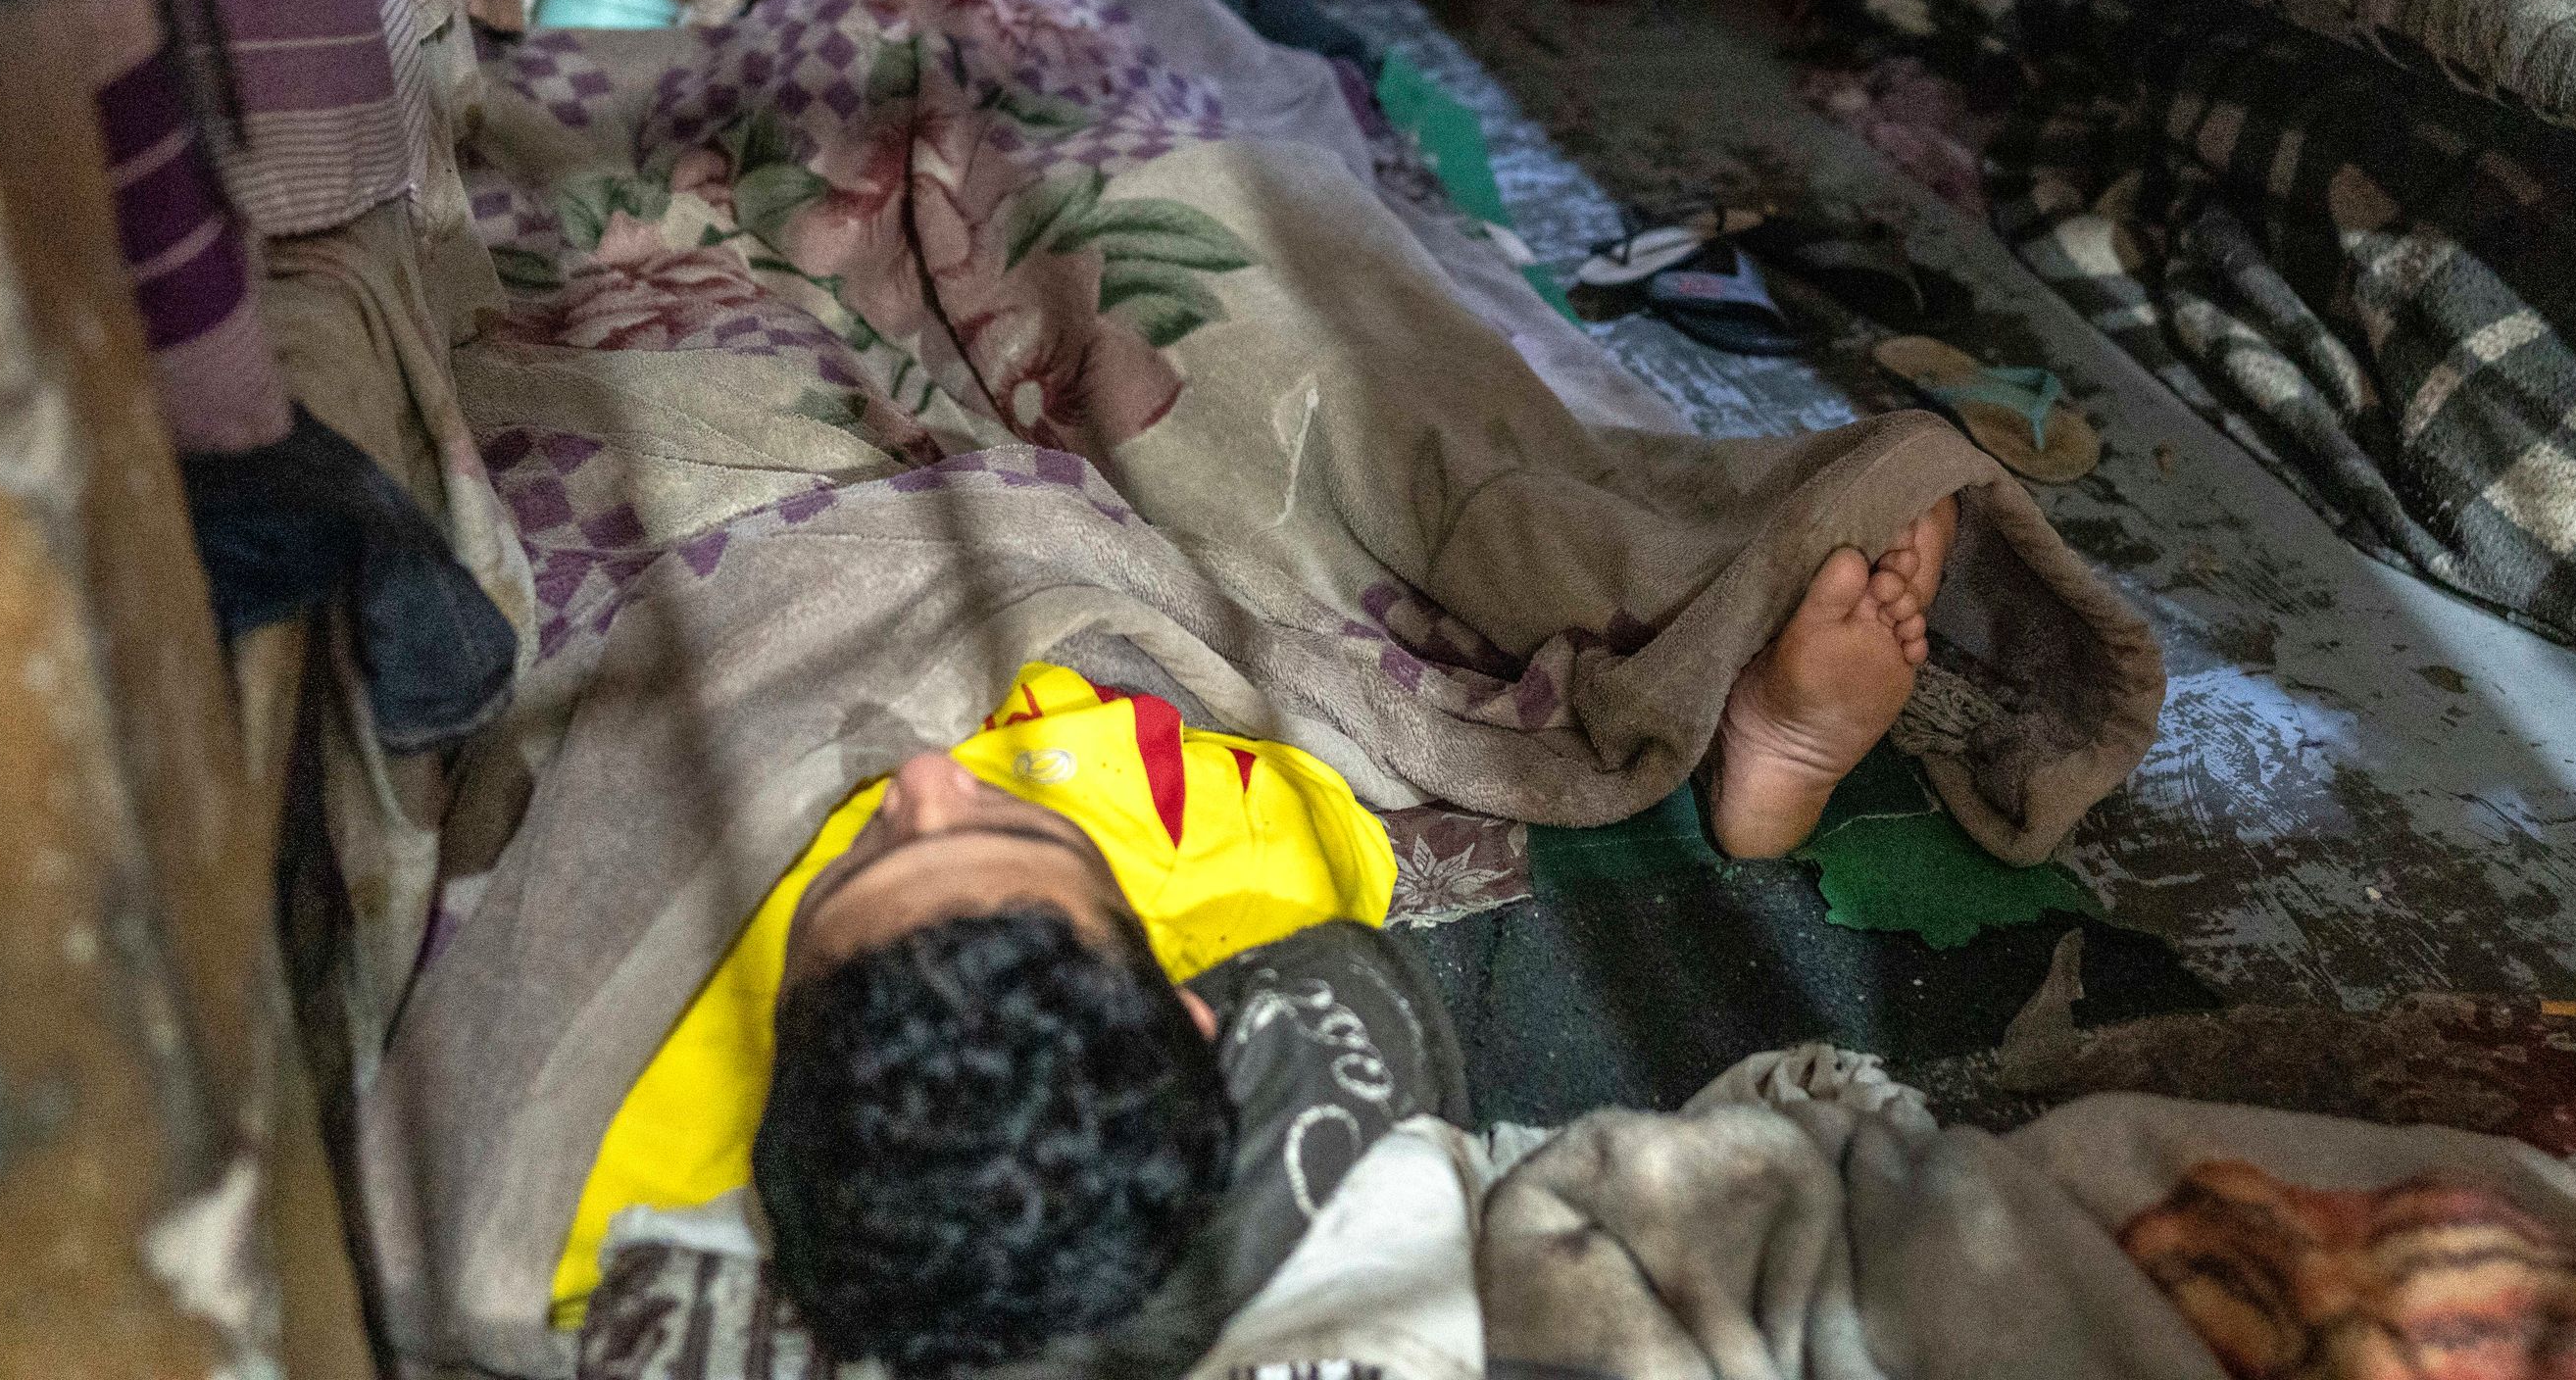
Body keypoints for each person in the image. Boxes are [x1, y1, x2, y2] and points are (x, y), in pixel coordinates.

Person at [561, 493, 1961, 1376]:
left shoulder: (639, 1144)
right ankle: (1751, 724)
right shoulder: (1262, 896)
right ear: (1193, 1009)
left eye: (865, 854)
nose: (917, 779)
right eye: (1002, 830)